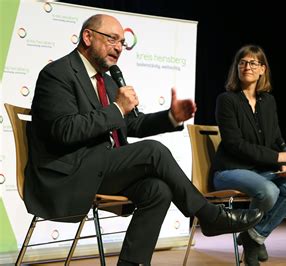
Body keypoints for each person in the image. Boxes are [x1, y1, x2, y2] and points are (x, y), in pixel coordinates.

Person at [24, 14, 263, 266]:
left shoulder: (105, 79)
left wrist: (170, 117)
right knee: (152, 151)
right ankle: (208, 215)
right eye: (112, 39)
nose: (118, 48)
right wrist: (117, 108)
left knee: (157, 190)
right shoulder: (58, 74)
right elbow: (64, 130)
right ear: (87, 37)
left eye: (122, 43)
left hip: (98, 167)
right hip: (68, 175)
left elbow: (131, 123)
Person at [211, 44, 286, 266]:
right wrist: (275, 158)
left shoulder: (268, 101)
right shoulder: (227, 100)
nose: (247, 67)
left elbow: (276, 137)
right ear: (237, 68)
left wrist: (284, 160)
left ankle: (252, 237)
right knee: (268, 191)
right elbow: (235, 145)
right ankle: (254, 242)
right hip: (229, 170)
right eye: (242, 62)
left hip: (260, 171)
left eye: (253, 63)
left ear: (263, 69)